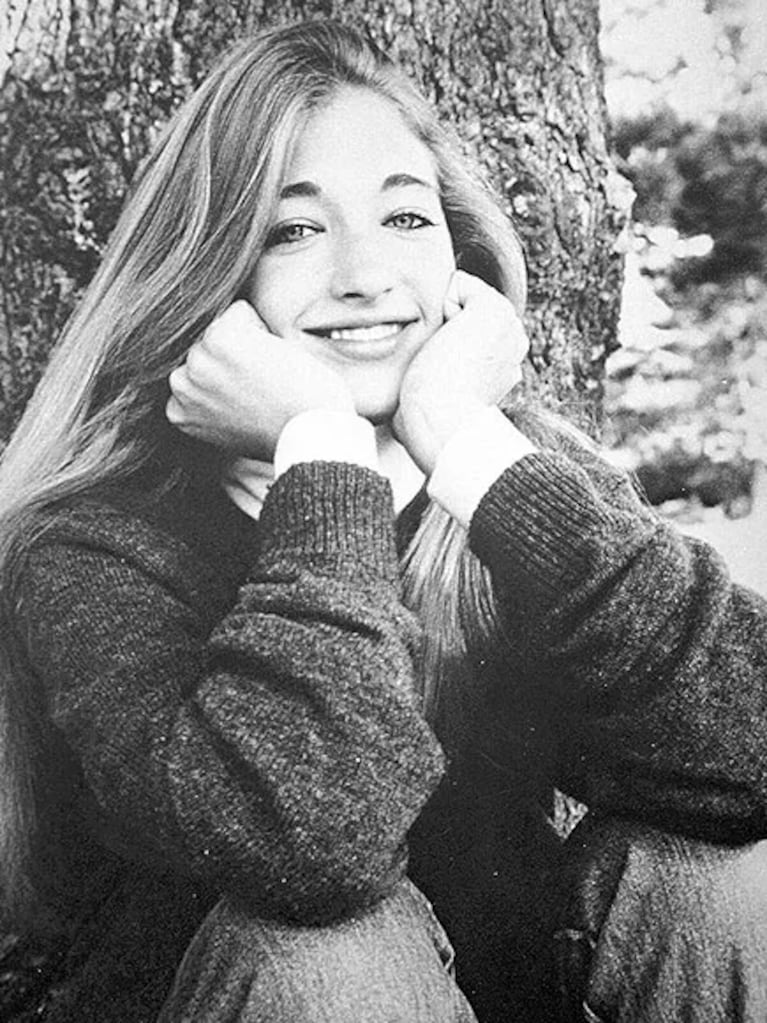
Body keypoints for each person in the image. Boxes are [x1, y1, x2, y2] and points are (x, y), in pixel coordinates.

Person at [0, 18, 766, 1023]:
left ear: (459, 256)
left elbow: (743, 750)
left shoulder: (504, 480)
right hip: (264, 998)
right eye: (293, 229)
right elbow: (314, 853)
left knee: (703, 872)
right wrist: (323, 453)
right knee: (324, 954)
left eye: (404, 219)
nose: (363, 274)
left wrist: (463, 439)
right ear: (210, 272)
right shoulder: (98, 542)